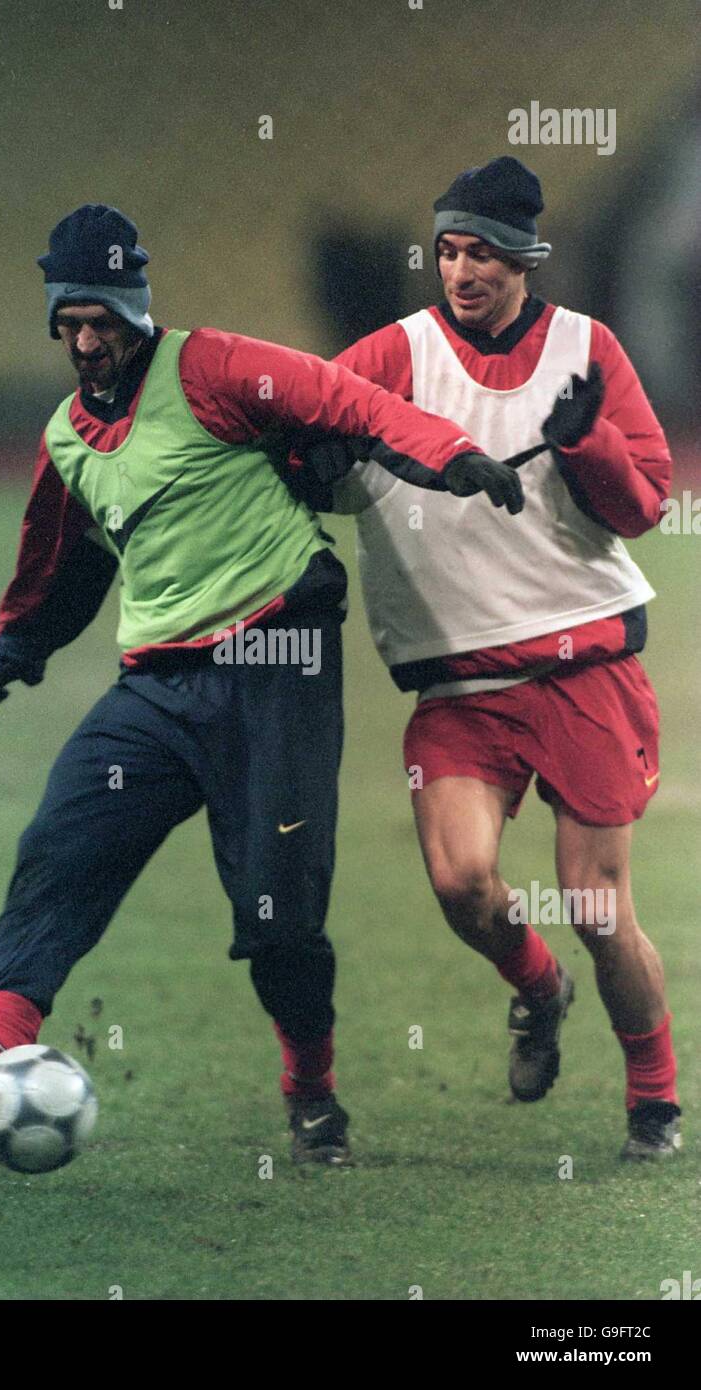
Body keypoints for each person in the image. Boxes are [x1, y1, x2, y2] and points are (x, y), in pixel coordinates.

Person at [0, 203, 524, 1166]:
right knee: (60, 847)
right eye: (73, 325)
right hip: (158, 692)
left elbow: (349, 404)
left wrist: (451, 457)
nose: (90, 343)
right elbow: (62, 562)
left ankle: (313, 1094)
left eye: (107, 324)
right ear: (56, 323)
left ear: (137, 313)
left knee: (278, 918)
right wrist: (15, 652)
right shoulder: (69, 441)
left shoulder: (211, 367)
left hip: (275, 666)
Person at [324, 157, 679, 1161]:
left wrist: (587, 446)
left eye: (480, 250)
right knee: (460, 883)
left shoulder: (586, 348)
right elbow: (312, 414)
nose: (460, 268)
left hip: (582, 670)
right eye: (446, 249)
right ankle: (535, 986)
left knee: (595, 904)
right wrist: (298, 454)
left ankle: (651, 1098)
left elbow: (643, 504)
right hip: (459, 686)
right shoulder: (393, 353)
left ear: (522, 258)